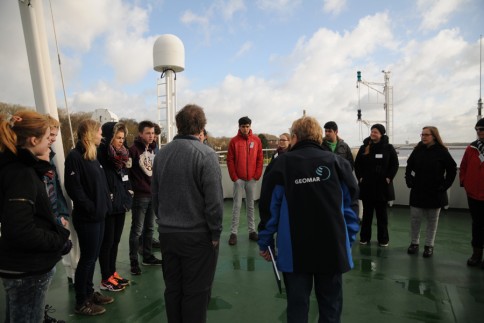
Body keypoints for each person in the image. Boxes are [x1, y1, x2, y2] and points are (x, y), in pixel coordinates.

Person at [257, 116, 359, 323]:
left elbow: (269, 208)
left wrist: (265, 241)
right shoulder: (337, 163)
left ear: (294, 137)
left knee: (297, 306)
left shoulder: (281, 164)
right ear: (318, 136)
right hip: (332, 247)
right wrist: (348, 238)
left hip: (295, 251)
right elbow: (351, 207)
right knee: (331, 306)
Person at [152, 104, 223, 323]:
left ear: (178, 125)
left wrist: (164, 222)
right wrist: (214, 234)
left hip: (168, 235)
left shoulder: (161, 155)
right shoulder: (206, 155)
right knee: (196, 293)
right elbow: (214, 204)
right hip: (197, 237)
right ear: (201, 126)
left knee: (173, 290)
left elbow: (156, 196)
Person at [0, 111, 71, 323]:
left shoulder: (13, 168)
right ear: (33, 140)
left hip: (19, 264)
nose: (50, 143)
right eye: (48, 137)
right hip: (27, 268)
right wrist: (58, 240)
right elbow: (20, 229)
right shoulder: (21, 174)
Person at [65, 119, 113, 316]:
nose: (102, 135)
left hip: (99, 216)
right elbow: (74, 188)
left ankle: (89, 292)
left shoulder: (91, 156)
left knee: (92, 258)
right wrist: (92, 208)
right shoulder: (75, 157)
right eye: (100, 132)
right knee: (87, 259)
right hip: (88, 218)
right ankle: (81, 302)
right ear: (90, 133)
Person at [405, 126, 456, 258]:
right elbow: (409, 166)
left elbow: (452, 169)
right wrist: (409, 179)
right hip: (418, 190)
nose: (423, 137)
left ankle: (429, 246)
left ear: (434, 136)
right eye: (422, 134)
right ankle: (414, 243)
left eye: (426, 135)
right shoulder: (417, 150)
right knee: (415, 219)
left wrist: (445, 186)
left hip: (435, 192)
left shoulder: (442, 151)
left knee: (432, 221)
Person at [97, 122, 132, 291]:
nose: (120, 141)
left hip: (121, 204)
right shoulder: (101, 156)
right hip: (109, 206)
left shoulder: (122, 156)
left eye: (122, 138)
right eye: (117, 138)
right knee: (107, 242)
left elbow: (125, 177)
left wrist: (128, 195)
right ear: (109, 137)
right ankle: (105, 278)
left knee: (116, 241)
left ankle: (112, 272)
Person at [45, 116, 80, 285]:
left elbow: (56, 187)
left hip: (54, 216)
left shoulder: (50, 156)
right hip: (45, 221)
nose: (52, 139)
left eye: (54, 135)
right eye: (50, 134)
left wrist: (62, 212)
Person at [354, 123, 399, 247]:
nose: (373, 134)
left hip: (382, 187)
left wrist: (389, 178)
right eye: (372, 131)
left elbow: (394, 165)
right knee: (367, 215)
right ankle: (364, 238)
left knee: (382, 215)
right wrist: (360, 177)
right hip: (367, 186)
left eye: (376, 132)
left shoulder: (388, 148)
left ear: (381, 134)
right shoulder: (364, 147)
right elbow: (357, 165)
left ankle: (383, 239)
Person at [128, 120, 162, 275]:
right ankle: (134, 261)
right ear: (140, 134)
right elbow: (127, 172)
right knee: (137, 230)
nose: (151, 136)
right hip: (140, 196)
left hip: (152, 194)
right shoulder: (133, 150)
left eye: (153, 133)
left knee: (149, 228)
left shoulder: (155, 150)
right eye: (148, 133)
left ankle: (147, 256)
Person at [227, 116, 263, 245]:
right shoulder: (234, 142)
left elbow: (260, 159)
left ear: (250, 127)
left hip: (251, 179)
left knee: (251, 205)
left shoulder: (257, 141)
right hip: (239, 180)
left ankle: (252, 231)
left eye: (247, 126)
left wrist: (256, 175)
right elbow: (230, 160)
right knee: (236, 206)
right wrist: (234, 178)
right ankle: (233, 233)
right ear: (239, 127)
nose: (245, 129)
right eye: (243, 126)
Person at [460, 118, 484, 267]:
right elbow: (463, 167)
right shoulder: (471, 148)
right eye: (477, 130)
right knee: (477, 224)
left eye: (481, 129)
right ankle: (476, 254)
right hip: (474, 195)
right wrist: (465, 183)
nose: (479, 132)